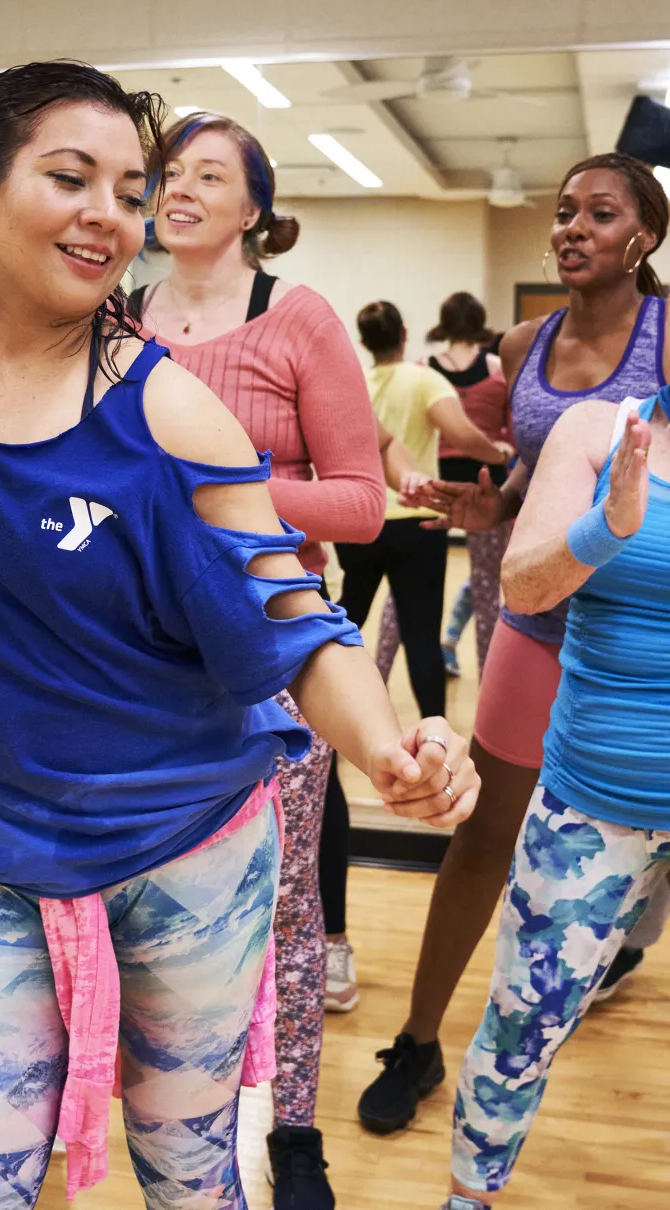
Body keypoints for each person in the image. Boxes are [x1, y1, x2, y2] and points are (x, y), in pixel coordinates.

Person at [0, 61, 480, 1210]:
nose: (108, 215)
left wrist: (387, 750)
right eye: (69, 178)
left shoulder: (165, 402)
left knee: (185, 1174)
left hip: (185, 847)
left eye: (131, 191)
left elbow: (296, 618)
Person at [365, 152, 670, 1141]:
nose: (571, 227)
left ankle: (612, 946)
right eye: (563, 210)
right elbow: (527, 481)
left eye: (599, 212)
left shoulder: (666, 338)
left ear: (643, 237)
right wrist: (473, 503)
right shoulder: (523, 339)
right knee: (482, 833)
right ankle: (415, 1041)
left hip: (636, 636)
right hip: (536, 618)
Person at [130, 109, 386, 1206]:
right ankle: (154, 1101)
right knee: (143, 888)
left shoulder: (297, 319)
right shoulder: (114, 314)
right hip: (136, 649)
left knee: (283, 906)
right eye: (167, 173)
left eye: (206, 176)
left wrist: (212, 481)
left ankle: (289, 1133)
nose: (177, 190)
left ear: (254, 211)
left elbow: (360, 504)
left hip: (272, 640)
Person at [440, 381, 670, 1210]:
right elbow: (528, 590)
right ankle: (469, 1198)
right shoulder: (600, 429)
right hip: (592, 805)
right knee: (521, 1027)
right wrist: (604, 527)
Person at [334, 300, 510, 721]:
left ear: (364, 341)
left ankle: (333, 729)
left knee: (346, 626)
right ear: (404, 335)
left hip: (360, 522)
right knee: (421, 639)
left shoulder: (355, 381)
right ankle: (435, 735)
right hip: (416, 521)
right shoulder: (424, 379)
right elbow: (463, 435)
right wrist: (498, 453)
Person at [373, 291, 512, 681]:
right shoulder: (497, 368)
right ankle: (490, 680)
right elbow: (508, 430)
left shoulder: (424, 367)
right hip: (487, 485)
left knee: (404, 593)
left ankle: (378, 672)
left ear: (444, 325)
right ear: (480, 323)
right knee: (487, 593)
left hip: (435, 488)